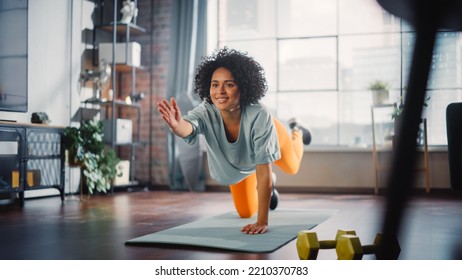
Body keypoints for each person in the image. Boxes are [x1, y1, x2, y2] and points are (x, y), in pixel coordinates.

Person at [157, 47, 311, 235]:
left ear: (243, 87)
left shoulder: (259, 115)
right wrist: (177, 124)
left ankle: (297, 131)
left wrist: (262, 221)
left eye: (229, 84)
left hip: (273, 134)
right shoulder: (207, 111)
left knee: (292, 166)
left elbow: (264, 172)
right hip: (243, 164)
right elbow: (189, 127)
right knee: (245, 212)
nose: (220, 91)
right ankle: (269, 191)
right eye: (214, 84)